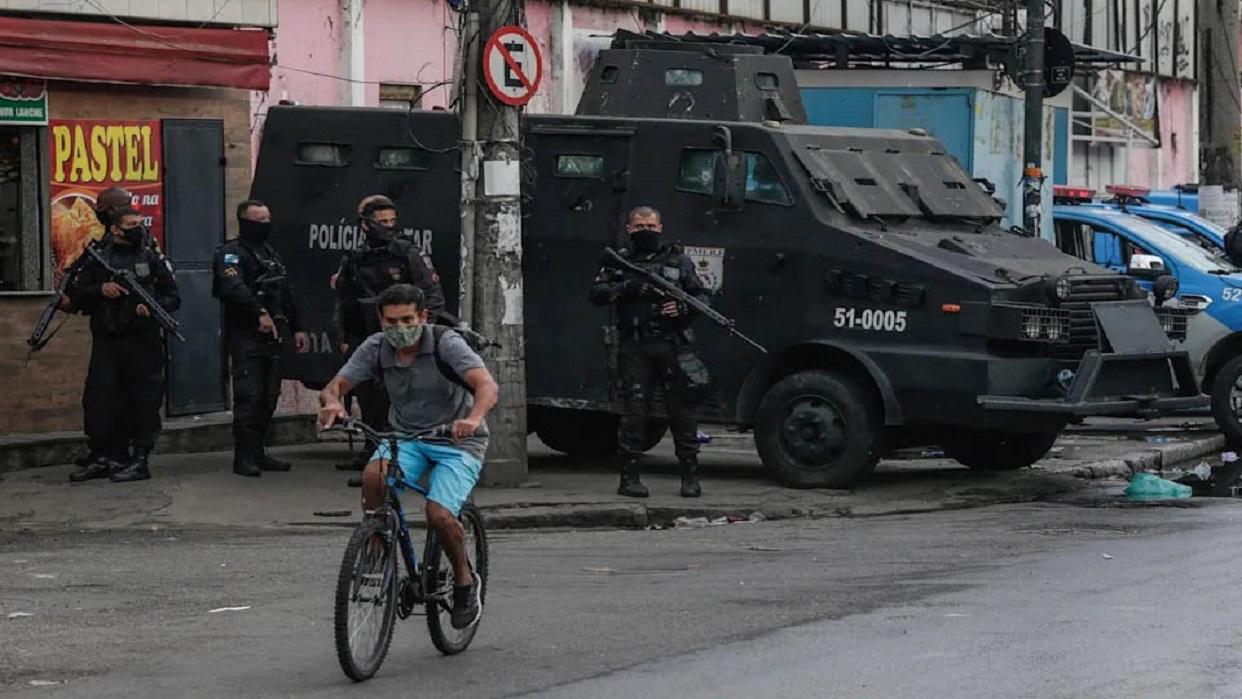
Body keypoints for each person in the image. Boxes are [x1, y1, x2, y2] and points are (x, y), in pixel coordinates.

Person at [318, 283, 498, 630]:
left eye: (407, 320)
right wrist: (333, 404)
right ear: (381, 321)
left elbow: (487, 386)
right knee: (374, 476)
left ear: (423, 317)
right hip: (405, 438)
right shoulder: (376, 347)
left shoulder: (447, 344)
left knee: (440, 514)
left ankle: (464, 580)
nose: (399, 328)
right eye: (391, 321)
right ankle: (375, 555)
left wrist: (473, 419)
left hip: (456, 442)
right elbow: (335, 386)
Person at [589, 206, 709, 498]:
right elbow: (597, 294)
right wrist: (628, 288)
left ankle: (690, 478)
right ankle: (629, 479)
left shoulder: (678, 260)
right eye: (640, 226)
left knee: (682, 413)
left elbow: (701, 296)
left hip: (672, 345)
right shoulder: (621, 261)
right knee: (635, 414)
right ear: (630, 229)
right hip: (635, 346)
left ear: (660, 227)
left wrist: (682, 308)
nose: (647, 231)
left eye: (651, 226)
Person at [333, 194, 448, 476]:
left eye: (391, 221)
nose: (387, 226)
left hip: (402, 336)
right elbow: (345, 299)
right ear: (365, 225)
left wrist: (419, 334)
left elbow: (431, 296)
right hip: (366, 335)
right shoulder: (356, 258)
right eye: (381, 222)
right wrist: (345, 337)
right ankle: (371, 451)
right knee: (367, 397)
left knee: (397, 398)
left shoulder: (407, 253)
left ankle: (396, 460)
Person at [65, 206, 181, 483]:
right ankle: (104, 457)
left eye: (140, 223)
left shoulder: (152, 257)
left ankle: (139, 459)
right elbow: (74, 293)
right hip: (108, 340)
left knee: (144, 401)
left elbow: (173, 298)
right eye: (131, 224)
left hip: (144, 341)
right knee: (99, 401)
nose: (138, 228)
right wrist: (100, 290)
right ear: (115, 229)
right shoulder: (96, 257)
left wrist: (151, 309)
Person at [213, 200, 310, 477]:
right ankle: (243, 457)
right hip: (246, 335)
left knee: (269, 396)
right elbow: (233, 288)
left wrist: (298, 327)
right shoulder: (230, 254)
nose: (266, 224)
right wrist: (259, 313)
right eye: (259, 220)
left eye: (268, 218)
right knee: (249, 396)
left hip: (274, 334)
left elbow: (284, 294)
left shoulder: (269, 253)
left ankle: (258, 452)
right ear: (245, 222)